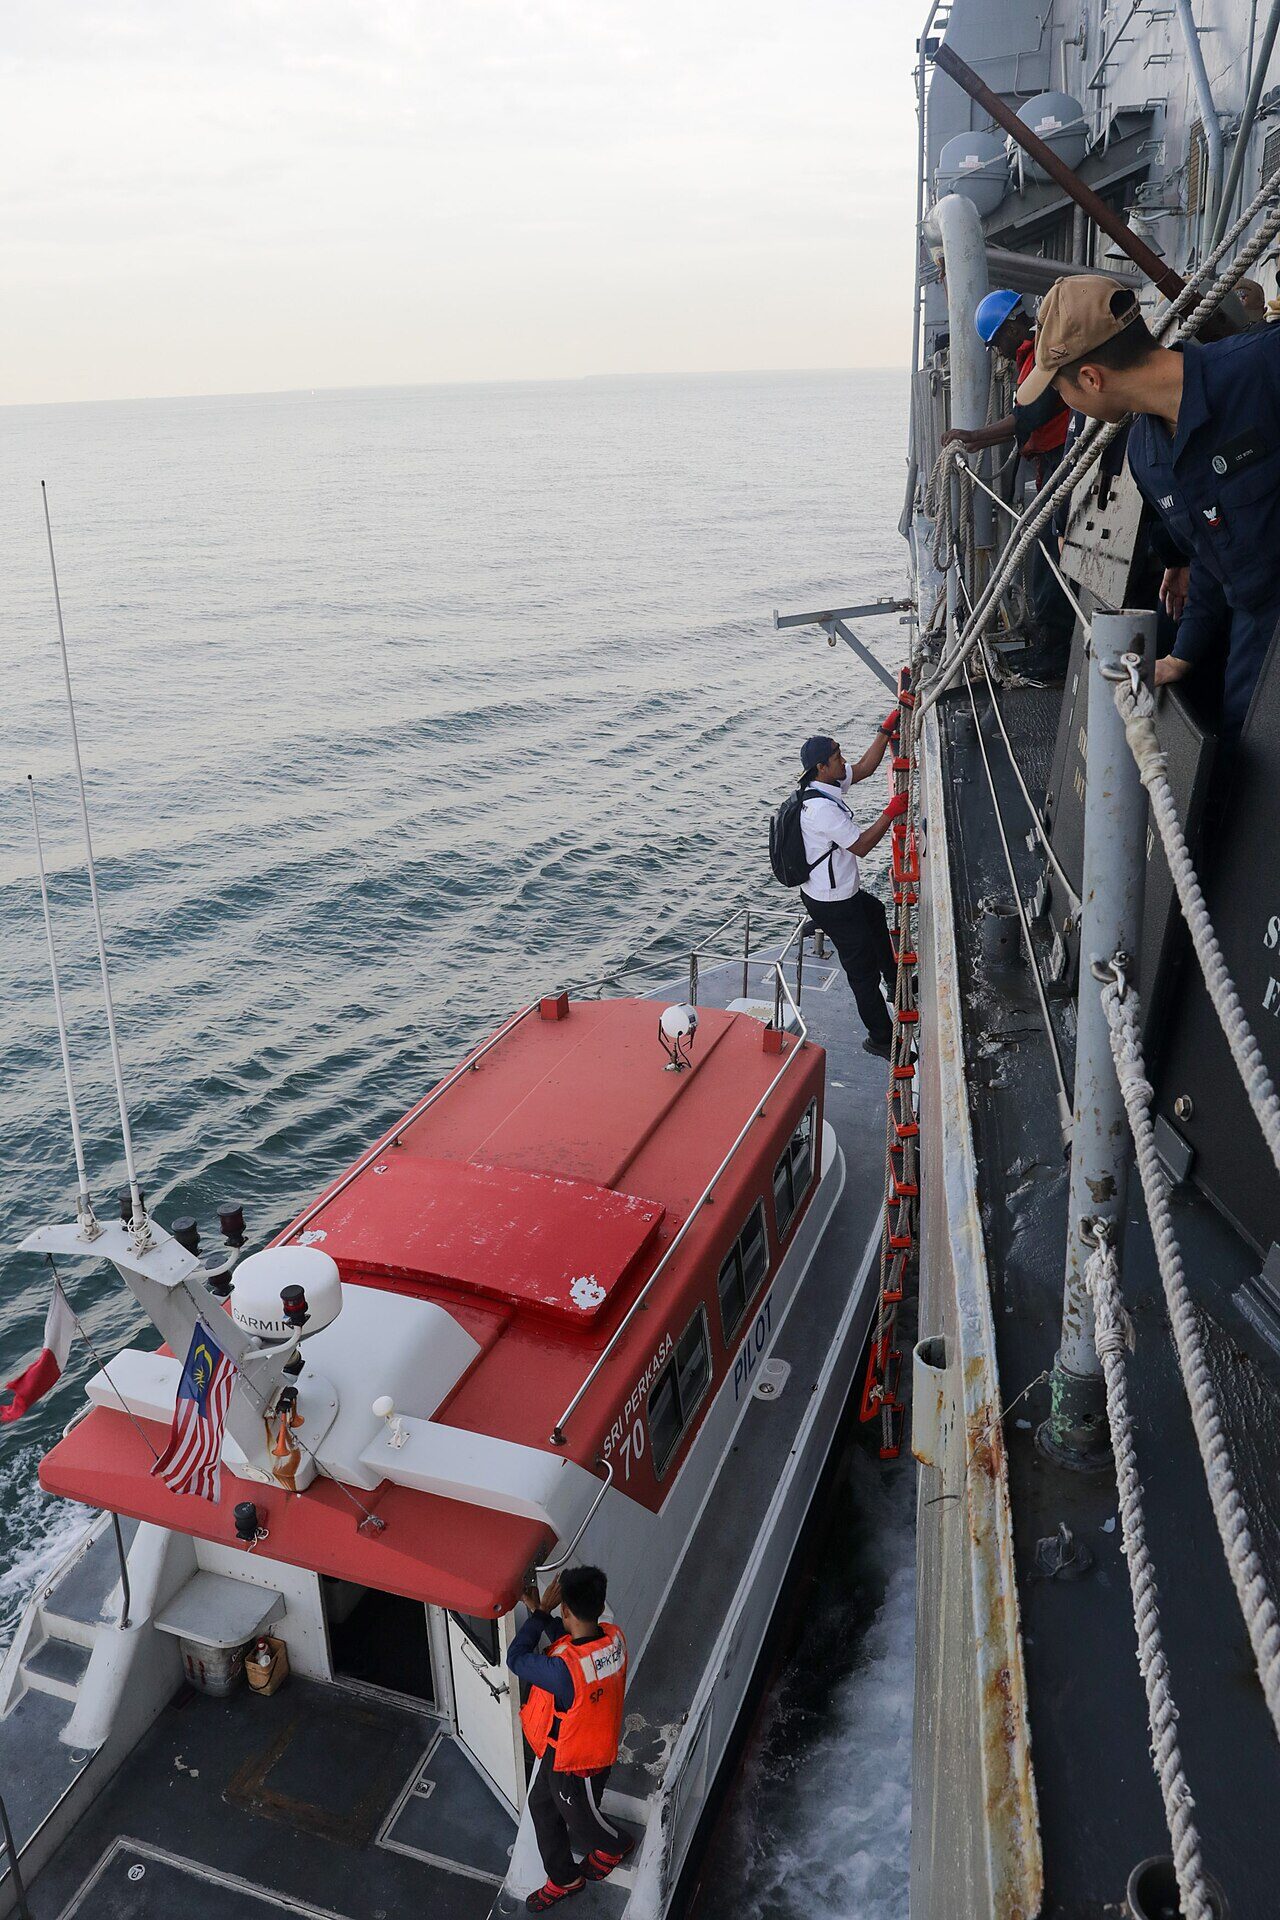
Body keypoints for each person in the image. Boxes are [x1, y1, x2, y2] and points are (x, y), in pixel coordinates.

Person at [1017, 272, 1280, 741]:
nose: (1066, 402)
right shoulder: (1147, 456)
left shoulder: (1262, 365)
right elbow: (1212, 560)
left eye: (1061, 391)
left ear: (1091, 379)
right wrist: (1182, 655)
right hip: (1257, 640)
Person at [942, 289, 1075, 681]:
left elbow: (1026, 419)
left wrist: (972, 434)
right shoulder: (1032, 356)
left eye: (997, 340)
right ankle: (1048, 646)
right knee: (1044, 561)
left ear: (1014, 325)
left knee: (1050, 565)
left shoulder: (1042, 358)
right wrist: (972, 439)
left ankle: (1054, 657)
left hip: (1061, 465)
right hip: (1053, 464)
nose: (997, 351)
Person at [508, 1565, 632, 1911]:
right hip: (562, 1748)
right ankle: (565, 1878)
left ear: (564, 1609)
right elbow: (571, 1643)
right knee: (542, 1807)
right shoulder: (612, 1637)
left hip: (582, 1761)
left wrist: (541, 1612)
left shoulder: (564, 1672)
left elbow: (516, 1658)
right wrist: (539, 1612)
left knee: (582, 1820)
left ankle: (616, 1846)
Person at [796, 724, 909, 1060]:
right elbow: (860, 846)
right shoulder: (821, 810)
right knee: (861, 972)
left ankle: (896, 984)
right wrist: (890, 812)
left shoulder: (823, 785)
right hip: (833, 904)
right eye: (836, 757)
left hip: (838, 894)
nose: (843, 761)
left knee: (874, 912)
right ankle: (880, 1038)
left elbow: (863, 768)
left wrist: (884, 732)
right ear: (821, 767)